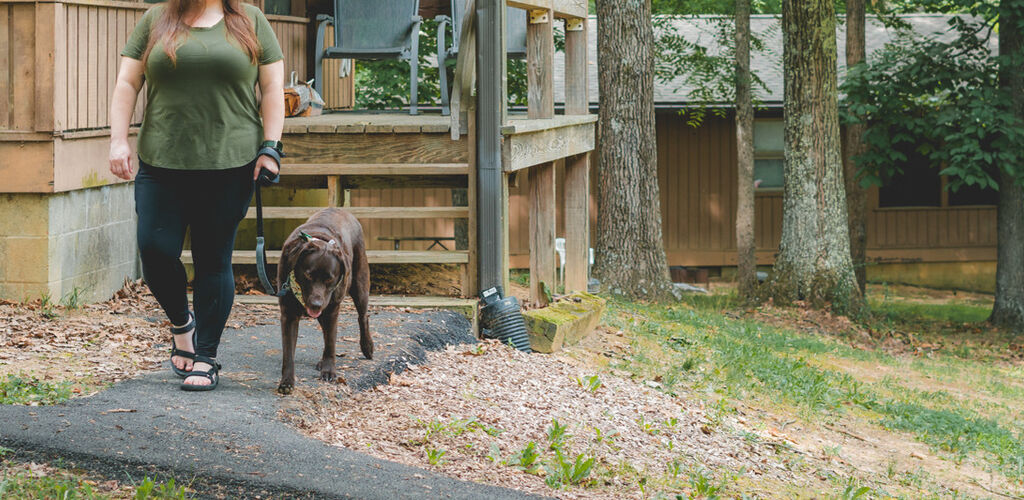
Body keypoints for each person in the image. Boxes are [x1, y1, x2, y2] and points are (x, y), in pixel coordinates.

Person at [109, 0, 285, 391]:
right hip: (161, 159)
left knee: (213, 259)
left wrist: (271, 147)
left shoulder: (250, 20)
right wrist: (118, 141)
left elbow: (272, 87)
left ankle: (206, 355)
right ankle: (181, 322)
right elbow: (127, 82)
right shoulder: (157, 18)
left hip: (230, 162)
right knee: (154, 249)